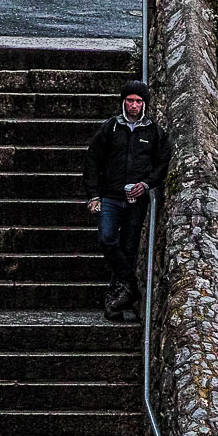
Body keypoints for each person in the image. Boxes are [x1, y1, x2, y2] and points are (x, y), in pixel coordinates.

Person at [83, 79, 172, 322]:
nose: (134, 105)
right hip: (110, 196)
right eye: (130, 100)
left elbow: (163, 162)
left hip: (137, 200)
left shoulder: (153, 131)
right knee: (107, 237)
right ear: (123, 102)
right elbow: (92, 161)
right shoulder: (110, 128)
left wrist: (146, 184)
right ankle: (130, 286)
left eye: (138, 101)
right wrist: (93, 195)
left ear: (145, 104)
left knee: (129, 247)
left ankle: (115, 298)